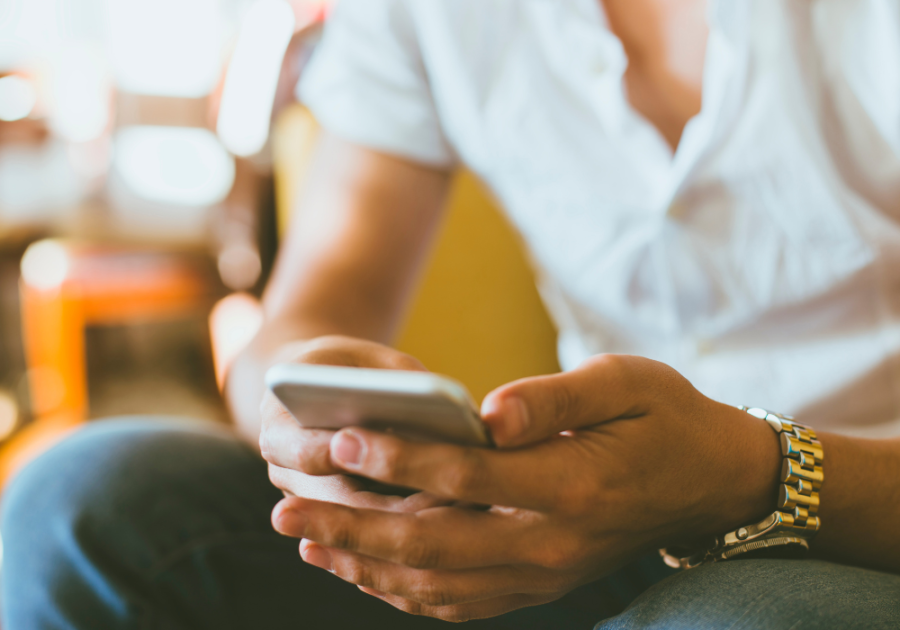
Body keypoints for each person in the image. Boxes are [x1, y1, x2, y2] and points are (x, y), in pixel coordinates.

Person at [4, 0, 900, 628]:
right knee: (79, 508)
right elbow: (302, 314)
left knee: (740, 623)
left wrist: (747, 474)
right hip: (589, 527)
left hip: (868, 527)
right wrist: (309, 421)